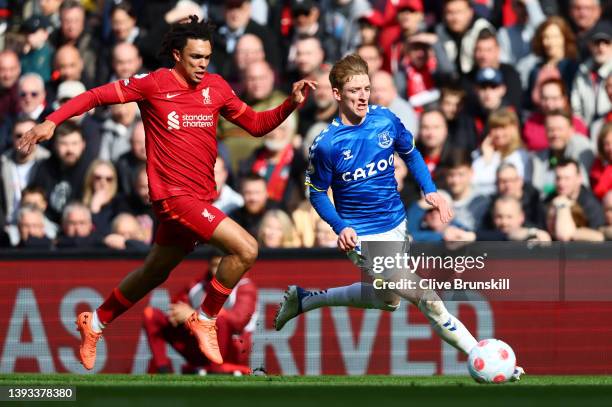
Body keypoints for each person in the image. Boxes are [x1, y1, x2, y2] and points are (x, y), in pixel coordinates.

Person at [18, 16, 314, 371]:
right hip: (173, 197)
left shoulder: (217, 88)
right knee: (247, 248)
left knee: (152, 273)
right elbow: (97, 95)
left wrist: (290, 104)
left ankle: (94, 322)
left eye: (206, 57)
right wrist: (53, 120)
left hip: (200, 199)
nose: (203, 64)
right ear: (176, 55)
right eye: (195, 57)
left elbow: (255, 124)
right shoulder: (153, 84)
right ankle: (205, 317)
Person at [274, 54, 523, 381]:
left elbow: (411, 152)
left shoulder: (385, 120)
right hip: (360, 235)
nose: (363, 96)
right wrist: (340, 225)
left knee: (388, 300)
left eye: (367, 88)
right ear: (337, 95)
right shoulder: (327, 145)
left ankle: (305, 299)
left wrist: (429, 189)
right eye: (354, 91)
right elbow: (318, 193)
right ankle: (485, 359)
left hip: (395, 224)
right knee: (426, 297)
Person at [143, 254, 257, 375]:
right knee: (151, 314)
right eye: (215, 266)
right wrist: (180, 315)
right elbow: (178, 309)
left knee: (220, 318)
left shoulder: (244, 286)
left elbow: (238, 321)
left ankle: (217, 368)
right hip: (198, 346)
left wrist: (194, 315)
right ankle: (163, 370)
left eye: (223, 266)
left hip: (232, 349)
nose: (219, 271)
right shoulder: (198, 285)